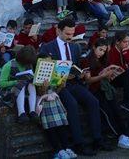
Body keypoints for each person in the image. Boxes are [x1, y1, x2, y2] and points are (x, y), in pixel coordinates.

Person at [39, 18, 112, 155]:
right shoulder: (47, 47)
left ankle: (97, 139)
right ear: (58, 31)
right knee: (72, 105)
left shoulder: (75, 47)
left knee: (93, 102)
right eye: (67, 34)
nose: (70, 37)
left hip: (74, 83)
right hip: (58, 86)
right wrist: (60, 78)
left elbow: (77, 66)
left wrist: (82, 74)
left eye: (72, 34)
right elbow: (44, 70)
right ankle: (78, 143)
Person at [80, 39, 129, 150]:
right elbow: (88, 80)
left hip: (104, 89)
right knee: (108, 112)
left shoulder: (102, 59)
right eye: (100, 49)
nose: (101, 52)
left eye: (104, 50)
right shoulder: (86, 60)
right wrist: (103, 76)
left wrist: (110, 75)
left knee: (116, 110)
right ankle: (119, 135)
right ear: (94, 47)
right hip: (94, 90)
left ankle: (124, 134)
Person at [0, 46, 39, 122]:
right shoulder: (8, 65)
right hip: (8, 91)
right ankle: (21, 113)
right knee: (21, 84)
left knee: (31, 84)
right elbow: (1, 84)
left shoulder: (28, 64)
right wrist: (15, 82)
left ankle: (32, 111)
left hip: (24, 90)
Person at [106, 31, 129, 107]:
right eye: (125, 42)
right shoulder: (112, 52)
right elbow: (114, 69)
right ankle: (126, 100)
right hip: (114, 78)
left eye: (128, 42)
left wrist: (127, 53)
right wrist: (127, 66)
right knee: (128, 72)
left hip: (125, 77)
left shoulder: (125, 50)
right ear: (117, 42)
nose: (127, 44)